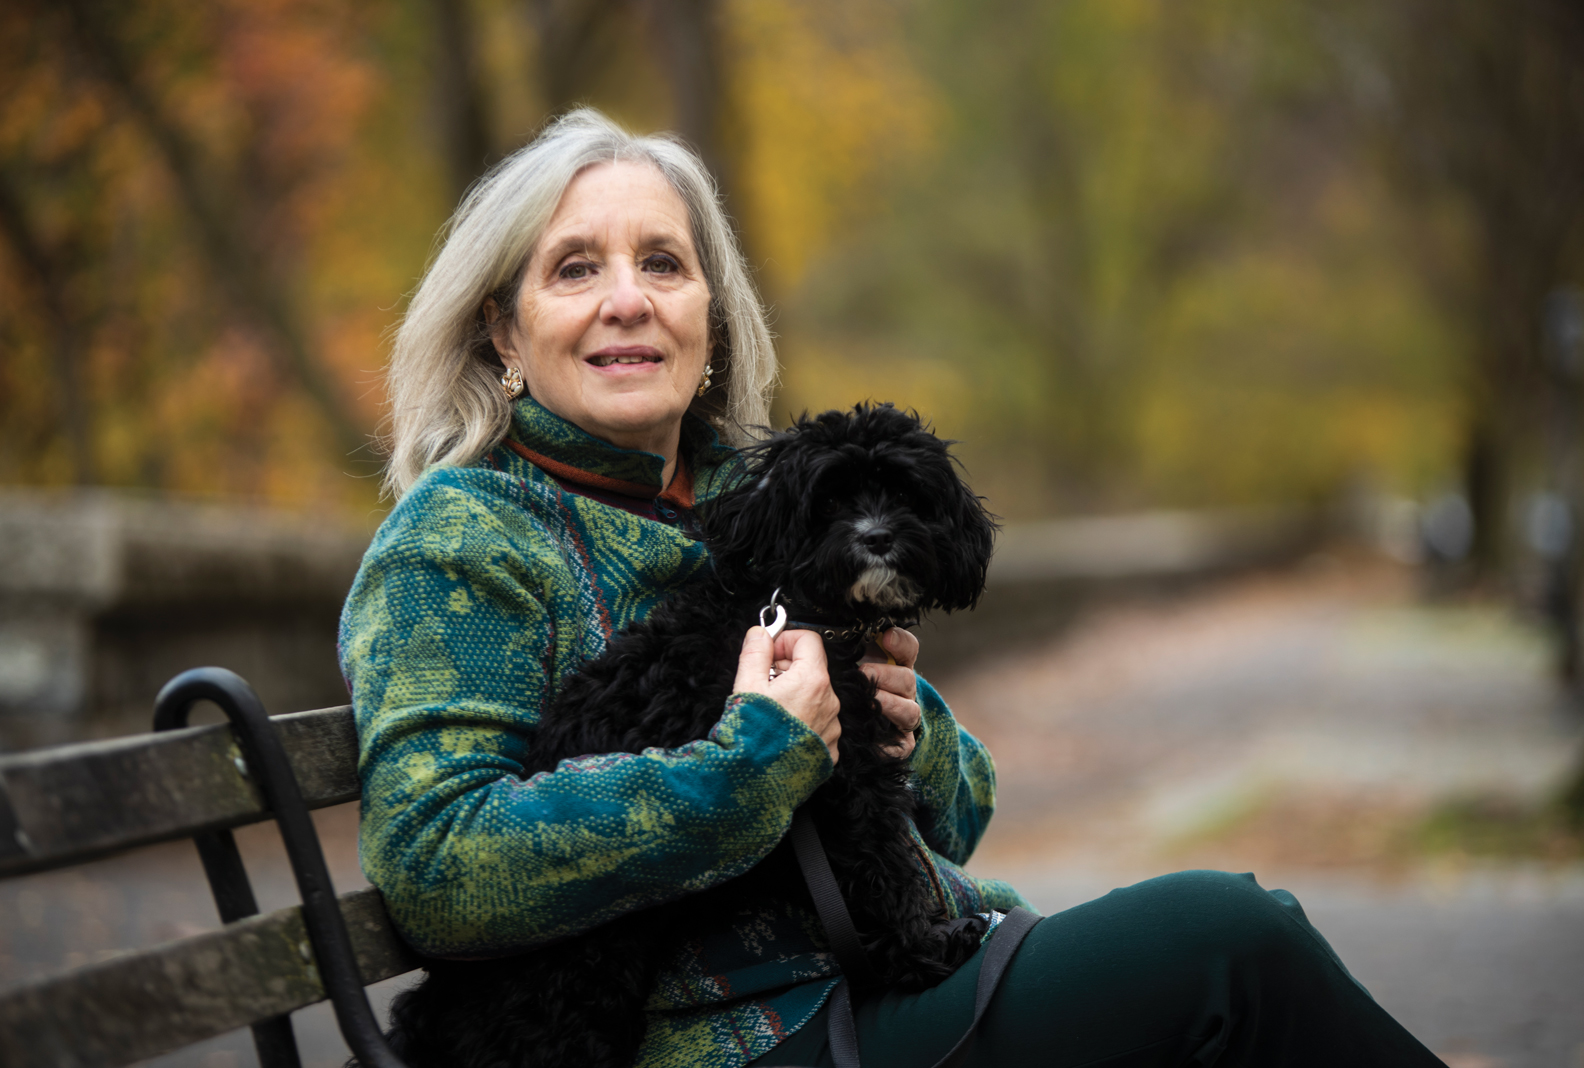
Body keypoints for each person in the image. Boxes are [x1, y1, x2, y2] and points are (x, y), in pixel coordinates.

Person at [340, 108, 1446, 1068]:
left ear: (712, 324)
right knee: (1228, 944)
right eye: (575, 267)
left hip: (882, 983)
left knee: (1245, 945)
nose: (627, 299)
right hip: (717, 1039)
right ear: (503, 332)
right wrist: (752, 768)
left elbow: (959, 816)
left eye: (663, 264)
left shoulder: (771, 498)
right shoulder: (462, 538)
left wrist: (914, 738)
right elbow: (440, 865)